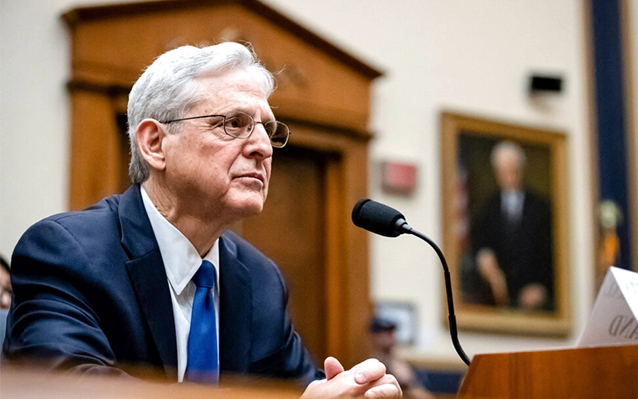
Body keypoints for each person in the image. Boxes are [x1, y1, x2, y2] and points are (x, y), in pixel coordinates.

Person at [3, 42, 401, 398]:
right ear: (155, 144)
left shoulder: (259, 279)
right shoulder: (66, 252)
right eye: (234, 124)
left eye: (268, 129)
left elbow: (294, 390)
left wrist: (348, 392)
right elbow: (70, 387)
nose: (263, 147)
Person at [462, 141, 554, 311]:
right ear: (497, 172)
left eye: (513, 169)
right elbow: (481, 243)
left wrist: (540, 286)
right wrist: (486, 260)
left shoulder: (540, 207)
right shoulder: (489, 208)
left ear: (521, 169)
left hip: (533, 295)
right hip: (499, 298)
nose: (509, 175)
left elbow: (550, 252)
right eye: (503, 170)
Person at [368, 317, 434, 399]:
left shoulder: (400, 361)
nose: (390, 335)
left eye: (391, 332)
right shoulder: (369, 363)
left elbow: (415, 388)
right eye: (384, 332)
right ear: (373, 336)